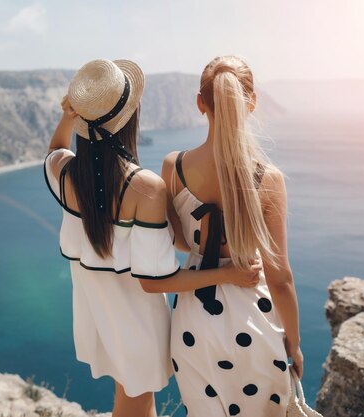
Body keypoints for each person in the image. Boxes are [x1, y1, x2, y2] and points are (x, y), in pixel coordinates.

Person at [44, 59, 261, 417]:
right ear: (130, 118)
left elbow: (55, 150)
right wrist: (229, 275)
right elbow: (154, 281)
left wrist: (68, 117)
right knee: (137, 403)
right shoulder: (143, 187)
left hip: (97, 315)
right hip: (138, 325)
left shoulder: (65, 174)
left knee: (134, 400)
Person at [161, 55, 303, 417]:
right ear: (251, 102)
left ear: (200, 103)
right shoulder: (267, 179)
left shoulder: (173, 167)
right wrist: (295, 343)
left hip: (193, 320)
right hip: (253, 319)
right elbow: (280, 277)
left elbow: (178, 242)